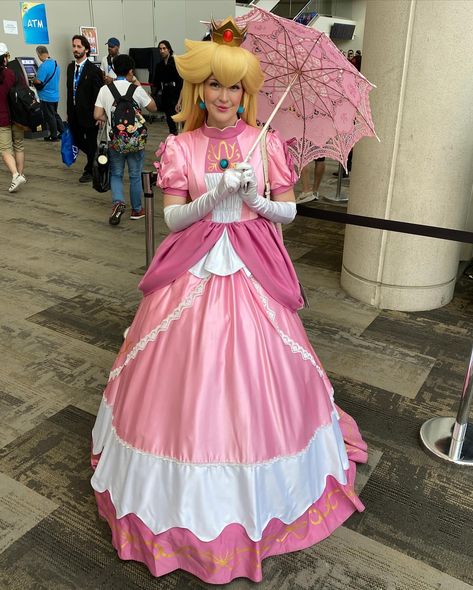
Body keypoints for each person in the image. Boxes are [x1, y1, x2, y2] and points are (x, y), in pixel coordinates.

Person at [90, 17, 367, 584]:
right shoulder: (179, 145)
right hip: (192, 272)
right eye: (214, 84)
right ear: (198, 88)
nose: (224, 96)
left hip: (252, 271)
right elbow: (170, 220)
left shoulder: (266, 143)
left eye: (235, 86)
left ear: (248, 91)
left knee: (259, 379)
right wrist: (212, 194)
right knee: (184, 385)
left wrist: (256, 201)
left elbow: (289, 210)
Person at [94, 54, 157, 225]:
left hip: (114, 140)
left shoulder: (105, 89)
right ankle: (137, 209)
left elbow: (97, 114)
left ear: (113, 69)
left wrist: (108, 114)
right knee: (135, 175)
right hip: (135, 140)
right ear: (131, 71)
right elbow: (153, 107)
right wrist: (137, 83)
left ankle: (118, 202)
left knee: (116, 173)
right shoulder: (135, 89)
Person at [66, 34, 103, 183]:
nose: (75, 49)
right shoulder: (70, 68)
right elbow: (69, 91)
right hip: (74, 113)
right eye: (74, 46)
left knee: (91, 140)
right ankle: (97, 158)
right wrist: (69, 112)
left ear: (86, 49)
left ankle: (90, 170)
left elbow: (99, 94)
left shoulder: (93, 70)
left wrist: (99, 115)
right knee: (77, 139)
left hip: (90, 114)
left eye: (79, 47)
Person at [0, 43, 26, 192]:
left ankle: (15, 175)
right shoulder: (13, 73)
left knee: (5, 149)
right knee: (19, 145)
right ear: (4, 58)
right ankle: (20, 174)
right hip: (17, 117)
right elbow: (24, 92)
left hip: (2, 119)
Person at [151, 40, 182, 135]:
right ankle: (173, 136)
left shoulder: (176, 62)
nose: (162, 51)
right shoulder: (159, 65)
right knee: (169, 118)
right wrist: (153, 95)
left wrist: (180, 100)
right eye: (160, 49)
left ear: (169, 49)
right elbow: (156, 83)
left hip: (176, 92)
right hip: (165, 93)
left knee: (179, 118)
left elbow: (181, 82)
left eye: (164, 48)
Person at [33, 45, 63, 142]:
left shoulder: (44, 66)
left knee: (50, 117)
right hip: (55, 95)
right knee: (54, 114)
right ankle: (63, 132)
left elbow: (38, 81)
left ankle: (53, 136)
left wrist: (33, 80)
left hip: (46, 96)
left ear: (39, 54)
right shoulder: (55, 63)